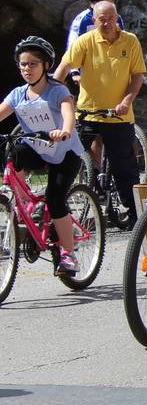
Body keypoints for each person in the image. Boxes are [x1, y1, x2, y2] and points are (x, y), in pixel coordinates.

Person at [51, 1, 146, 229]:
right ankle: (61, 207)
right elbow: (63, 69)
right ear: (93, 21)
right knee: (69, 158)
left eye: (110, 18)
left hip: (119, 116)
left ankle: (136, 217)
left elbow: (137, 76)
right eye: (101, 19)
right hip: (88, 114)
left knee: (125, 169)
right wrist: (54, 95)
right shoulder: (85, 41)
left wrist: (127, 100)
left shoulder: (130, 41)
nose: (106, 23)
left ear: (117, 18)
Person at [0, 36, 84, 274]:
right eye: (23, 64)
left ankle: (68, 254)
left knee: (56, 198)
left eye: (33, 64)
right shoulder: (18, 94)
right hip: (38, 149)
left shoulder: (57, 90)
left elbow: (69, 112)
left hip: (65, 152)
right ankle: (23, 203)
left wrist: (65, 130)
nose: (27, 69)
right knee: (13, 153)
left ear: (46, 65)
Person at [63, 0, 122, 90]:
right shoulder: (82, 20)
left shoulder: (117, 18)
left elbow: (123, 43)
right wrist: (74, 73)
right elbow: (72, 48)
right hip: (88, 81)